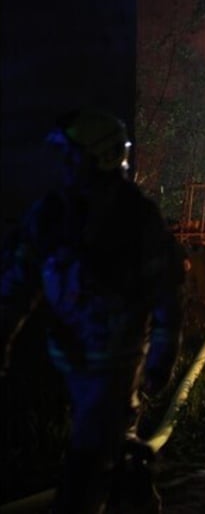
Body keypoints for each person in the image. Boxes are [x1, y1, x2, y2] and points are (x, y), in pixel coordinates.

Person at [0, 109, 186, 513]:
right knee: (107, 450)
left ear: (97, 157)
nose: (64, 166)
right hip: (63, 354)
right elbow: (18, 281)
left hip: (114, 361)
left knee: (89, 461)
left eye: (72, 156)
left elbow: (165, 293)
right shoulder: (52, 213)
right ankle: (129, 477)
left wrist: (161, 359)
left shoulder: (136, 218)